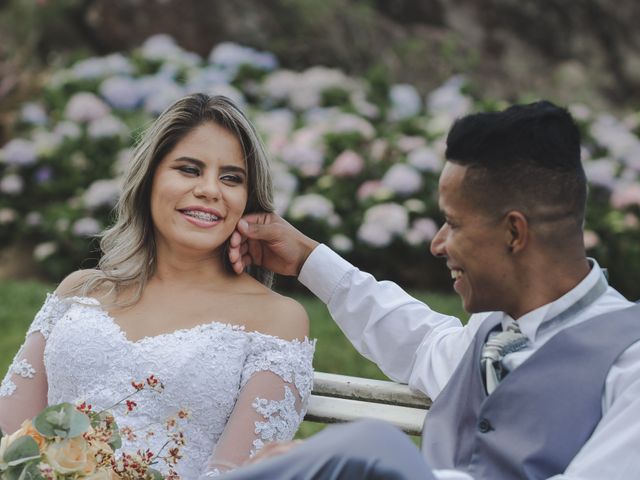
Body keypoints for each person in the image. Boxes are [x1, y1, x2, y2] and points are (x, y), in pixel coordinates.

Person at [225, 101, 640, 479]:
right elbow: (421, 344)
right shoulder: (490, 335)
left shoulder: (630, 364)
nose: (437, 244)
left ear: (515, 232)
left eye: (454, 224)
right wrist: (307, 260)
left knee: (374, 444)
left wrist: (379, 465)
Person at [0, 94, 315, 479]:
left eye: (231, 178)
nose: (210, 190)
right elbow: (10, 439)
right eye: (189, 169)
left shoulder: (277, 319)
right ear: (149, 179)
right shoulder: (79, 292)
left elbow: (238, 475)